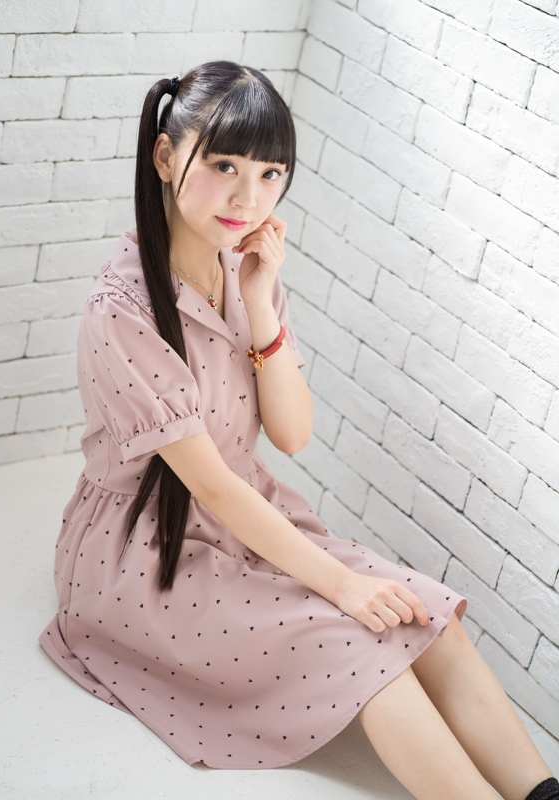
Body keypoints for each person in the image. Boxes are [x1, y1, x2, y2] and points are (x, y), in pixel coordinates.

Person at [38, 60, 557, 800]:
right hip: (150, 553)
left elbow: (291, 433)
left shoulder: (246, 270)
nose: (248, 198)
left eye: (270, 174)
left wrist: (261, 303)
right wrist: (341, 584)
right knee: (364, 654)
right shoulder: (122, 308)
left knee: (430, 621)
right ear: (165, 157)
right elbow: (211, 485)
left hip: (251, 519)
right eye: (224, 166)